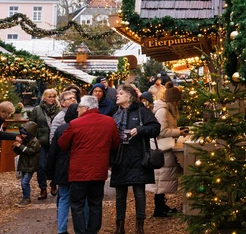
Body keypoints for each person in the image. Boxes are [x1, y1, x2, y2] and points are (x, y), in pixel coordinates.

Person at [58, 95, 120, 234]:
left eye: (79, 108)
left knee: (77, 204)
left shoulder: (75, 124)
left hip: (78, 171)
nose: (77, 111)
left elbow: (62, 144)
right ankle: (93, 231)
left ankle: (80, 231)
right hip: (99, 170)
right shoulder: (109, 122)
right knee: (96, 203)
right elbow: (115, 143)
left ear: (86, 108)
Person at [110, 85, 160, 234]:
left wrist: (140, 129)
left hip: (138, 157)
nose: (117, 96)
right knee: (120, 195)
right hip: (120, 158)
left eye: (120, 93)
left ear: (129, 96)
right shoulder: (116, 114)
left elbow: (156, 128)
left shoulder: (142, 112)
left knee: (139, 193)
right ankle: (120, 226)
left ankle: (140, 226)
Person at [147, 86, 188, 217]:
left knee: (162, 179)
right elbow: (162, 131)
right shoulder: (163, 111)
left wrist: (178, 129)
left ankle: (161, 206)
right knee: (160, 179)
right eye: (176, 101)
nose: (177, 104)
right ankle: (159, 208)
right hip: (162, 148)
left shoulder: (165, 110)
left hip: (164, 147)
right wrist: (179, 132)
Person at [46, 104, 82, 234]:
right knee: (82, 199)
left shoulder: (60, 129)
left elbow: (53, 153)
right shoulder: (81, 128)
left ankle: (61, 229)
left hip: (62, 168)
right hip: (78, 168)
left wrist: (50, 175)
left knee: (64, 199)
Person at [29, 87, 61, 199]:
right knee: (41, 166)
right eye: (49, 96)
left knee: (56, 164)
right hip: (42, 141)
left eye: (53, 96)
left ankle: (53, 184)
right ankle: (42, 188)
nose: (52, 99)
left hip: (55, 141)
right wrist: (33, 139)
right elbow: (31, 124)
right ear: (44, 97)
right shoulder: (37, 109)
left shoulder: (59, 109)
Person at [12, 121, 41, 207]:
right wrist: (16, 146)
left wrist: (20, 146)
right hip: (25, 164)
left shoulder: (35, 142)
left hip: (30, 165)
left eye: (24, 134)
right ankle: (25, 197)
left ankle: (27, 198)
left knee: (25, 182)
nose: (23, 135)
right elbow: (19, 151)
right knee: (23, 182)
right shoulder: (25, 140)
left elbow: (30, 151)